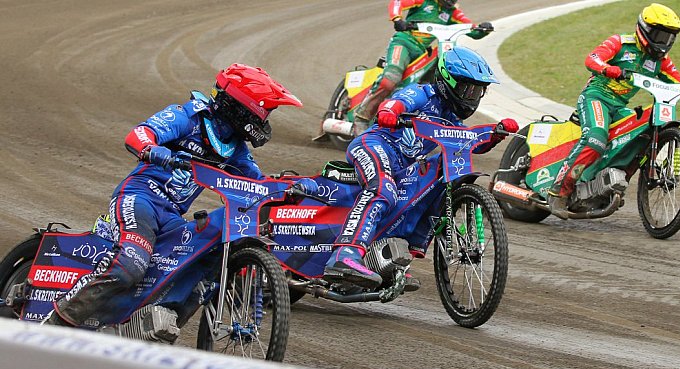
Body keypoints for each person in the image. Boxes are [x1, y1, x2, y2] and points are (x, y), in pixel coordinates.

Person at [45, 63, 304, 327]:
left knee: (195, 267)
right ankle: (58, 321)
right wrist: (152, 149)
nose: (263, 121)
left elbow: (257, 184)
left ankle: (147, 329)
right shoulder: (188, 117)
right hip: (140, 198)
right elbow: (139, 134)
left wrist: (288, 191)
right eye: (264, 112)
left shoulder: (235, 149)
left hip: (171, 215)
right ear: (242, 105)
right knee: (131, 265)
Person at [323, 46, 519, 289]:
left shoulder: (452, 119)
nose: (473, 97)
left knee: (440, 177)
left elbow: (467, 143)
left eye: (479, 91)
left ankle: (397, 256)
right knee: (383, 189)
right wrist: (388, 112)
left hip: (403, 166)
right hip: (373, 146)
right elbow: (396, 102)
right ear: (449, 80)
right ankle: (344, 255)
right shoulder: (422, 93)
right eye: (468, 89)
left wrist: (494, 135)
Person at [547, 3, 680, 219]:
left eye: (668, 37)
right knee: (595, 140)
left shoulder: (660, 61)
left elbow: (678, 81)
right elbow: (592, 59)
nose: (663, 42)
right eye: (659, 35)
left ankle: (602, 185)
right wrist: (609, 69)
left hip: (619, 107)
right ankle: (558, 192)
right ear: (644, 29)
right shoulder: (620, 42)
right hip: (595, 97)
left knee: (639, 136)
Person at [352, 0, 493, 133]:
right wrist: (397, 19)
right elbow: (397, 3)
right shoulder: (424, 1)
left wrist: (483, 29)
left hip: (424, 53)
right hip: (404, 42)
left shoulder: (452, 12)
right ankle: (362, 118)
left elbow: (470, 28)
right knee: (390, 80)